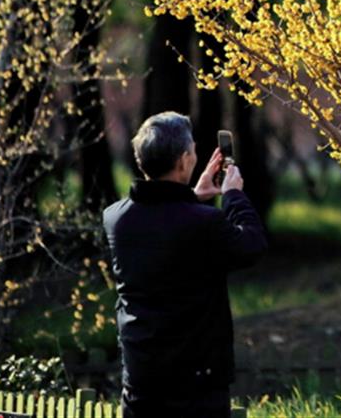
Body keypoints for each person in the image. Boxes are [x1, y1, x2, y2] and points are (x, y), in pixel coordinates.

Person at [103, 112, 267, 418]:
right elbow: (252, 246)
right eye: (192, 150)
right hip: (195, 381)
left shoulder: (115, 218)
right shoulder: (203, 223)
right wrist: (232, 196)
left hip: (141, 376)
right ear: (183, 161)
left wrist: (192, 195)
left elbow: (163, 223)